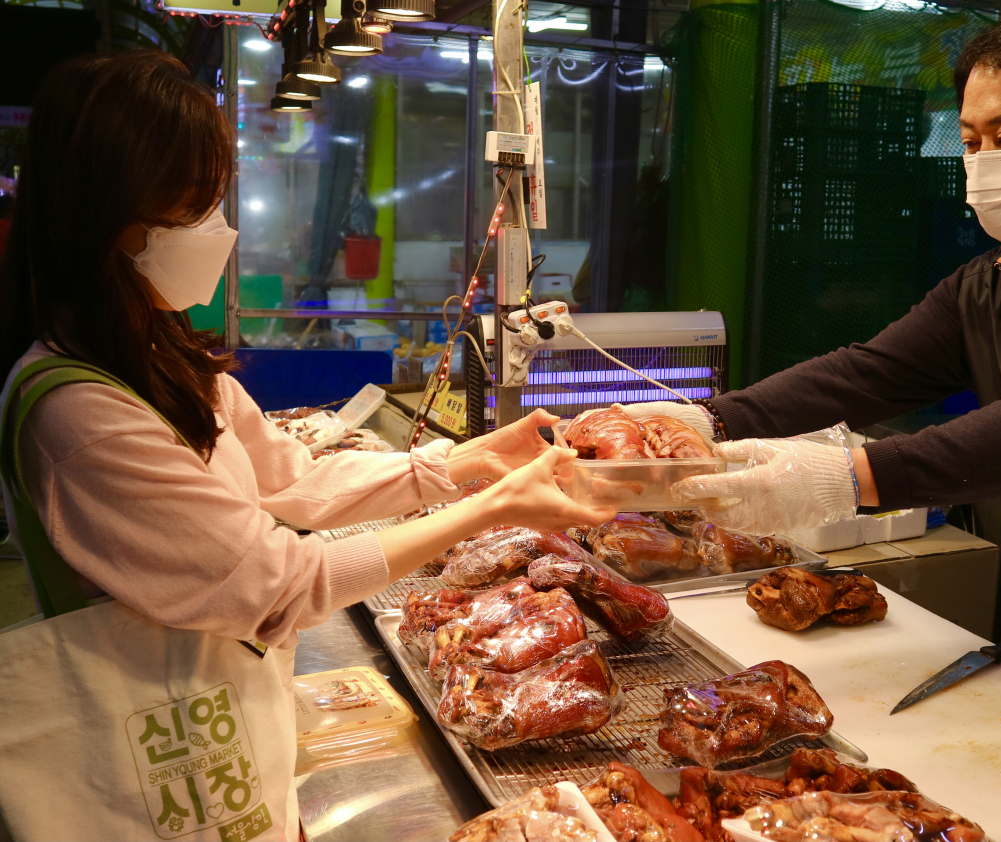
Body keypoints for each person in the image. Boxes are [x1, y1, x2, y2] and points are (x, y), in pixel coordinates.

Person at [0, 50, 611, 840]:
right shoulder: (78, 414)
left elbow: (292, 477)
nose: (218, 231)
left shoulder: (156, 350)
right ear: (114, 220)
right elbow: (282, 585)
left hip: (225, 729)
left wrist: (470, 461)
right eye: (196, 206)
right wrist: (490, 507)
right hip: (144, 767)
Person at [655, 6, 1001, 742]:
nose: (983, 163)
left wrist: (842, 477)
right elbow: (867, 373)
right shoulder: (996, 281)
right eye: (972, 143)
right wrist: (702, 422)